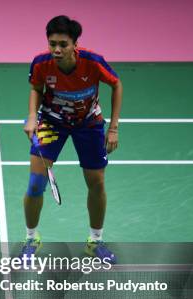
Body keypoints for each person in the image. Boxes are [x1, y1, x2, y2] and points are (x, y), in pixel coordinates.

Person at [22, 15, 123, 262]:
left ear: (75, 44)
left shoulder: (92, 62)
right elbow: (36, 89)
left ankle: (95, 241)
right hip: (52, 122)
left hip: (88, 124)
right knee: (36, 183)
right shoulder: (41, 63)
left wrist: (114, 128)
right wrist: (32, 116)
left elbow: (117, 84)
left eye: (63, 44)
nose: (57, 49)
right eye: (52, 43)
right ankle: (30, 238)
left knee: (96, 183)